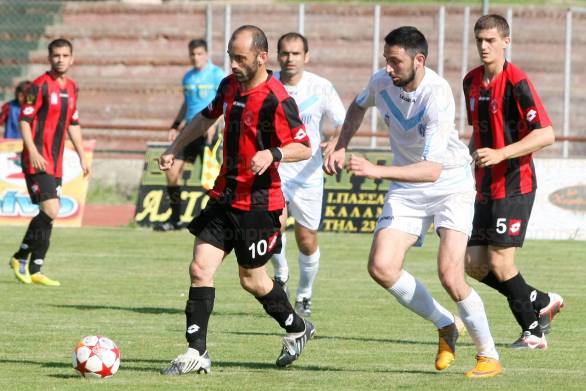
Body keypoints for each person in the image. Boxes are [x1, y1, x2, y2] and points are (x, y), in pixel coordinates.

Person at [324, 26, 502, 378]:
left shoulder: (437, 95)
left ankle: (488, 356)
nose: (388, 68)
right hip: (408, 184)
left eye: (396, 61)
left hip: (449, 183)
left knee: (451, 275)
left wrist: (376, 171)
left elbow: (432, 170)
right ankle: (446, 324)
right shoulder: (381, 81)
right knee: (382, 267)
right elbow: (358, 106)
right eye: (386, 61)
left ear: (419, 60)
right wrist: (341, 142)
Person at [158, 25, 315, 376]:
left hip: (259, 204)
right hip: (224, 196)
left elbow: (304, 146)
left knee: (253, 280)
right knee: (200, 268)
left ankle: (297, 327)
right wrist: (174, 147)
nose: (234, 64)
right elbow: (206, 116)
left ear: (261, 57)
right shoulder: (229, 86)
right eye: (231, 56)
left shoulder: (277, 98)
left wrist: (273, 153)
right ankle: (196, 351)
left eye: (240, 58)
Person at [463, 14, 563, 350]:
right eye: (479, 40)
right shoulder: (471, 82)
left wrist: (502, 153)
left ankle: (532, 331)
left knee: (501, 263)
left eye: (490, 40)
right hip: (484, 185)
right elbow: (478, 133)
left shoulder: (518, 81)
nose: (483, 46)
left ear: (506, 41)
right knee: (473, 265)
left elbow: (546, 134)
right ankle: (540, 298)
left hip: (515, 184)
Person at [270, 32, 346, 317]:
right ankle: (282, 273)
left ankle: (304, 293)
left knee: (307, 239)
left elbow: (342, 121)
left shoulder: (321, 86)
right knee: (272, 229)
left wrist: (336, 142)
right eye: (285, 53)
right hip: (275, 169)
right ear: (278, 56)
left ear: (306, 57)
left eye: (295, 53)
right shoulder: (268, 83)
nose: (290, 59)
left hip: (308, 173)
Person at [9, 38, 89, 286]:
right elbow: (24, 120)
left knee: (49, 214)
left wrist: (82, 154)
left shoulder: (73, 87)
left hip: (56, 161)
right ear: (49, 58)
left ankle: (35, 268)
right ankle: (20, 256)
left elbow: (73, 123)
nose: (61, 60)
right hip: (37, 160)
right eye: (56, 55)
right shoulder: (39, 86)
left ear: (72, 59)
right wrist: (31, 150)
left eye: (65, 56)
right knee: (51, 209)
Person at [154, 39, 225, 231]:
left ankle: (217, 221)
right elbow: (187, 104)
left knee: (211, 181)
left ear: (207, 54)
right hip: (190, 131)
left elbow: (225, 103)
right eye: (193, 54)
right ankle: (176, 218)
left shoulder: (218, 75)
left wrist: (213, 124)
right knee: (171, 172)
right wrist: (175, 125)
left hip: (209, 132)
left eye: (200, 53)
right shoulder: (188, 77)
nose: (196, 58)